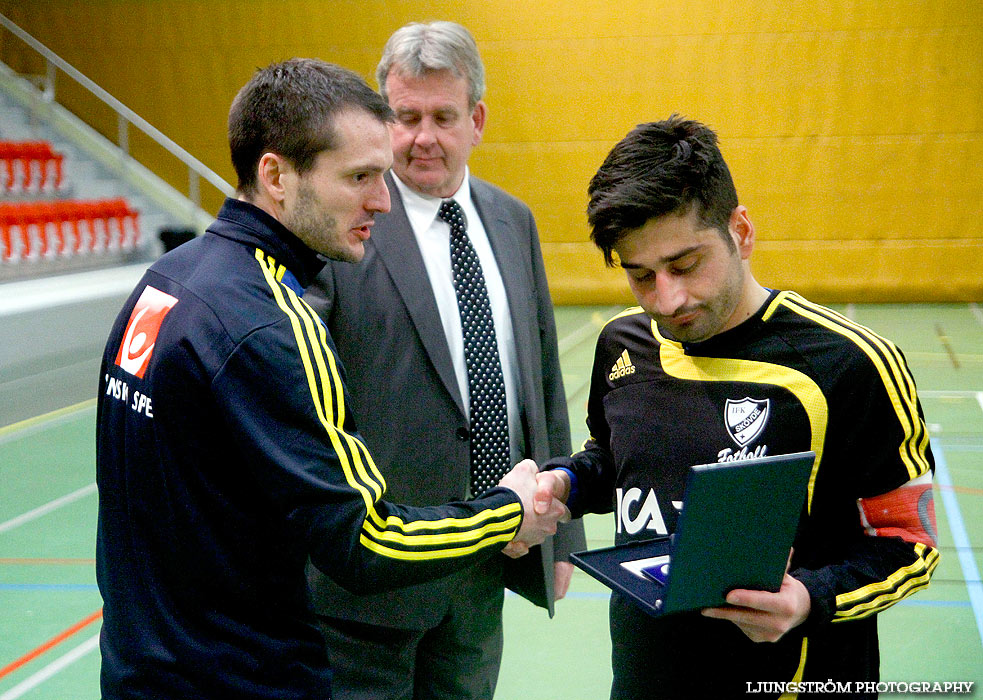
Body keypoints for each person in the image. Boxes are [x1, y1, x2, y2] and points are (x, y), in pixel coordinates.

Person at [94, 58, 568, 700]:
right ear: (276, 176)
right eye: (359, 177)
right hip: (239, 676)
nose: (382, 198)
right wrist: (508, 513)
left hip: (146, 666)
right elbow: (365, 540)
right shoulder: (271, 325)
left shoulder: (169, 282)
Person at [536, 115, 940, 698]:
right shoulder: (623, 345)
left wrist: (807, 599)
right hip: (644, 679)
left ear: (741, 231)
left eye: (685, 264)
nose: (667, 298)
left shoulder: (849, 365)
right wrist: (567, 483)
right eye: (641, 275)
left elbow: (910, 544)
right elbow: (618, 458)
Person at [304, 20, 585, 700]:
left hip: (487, 567)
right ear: (381, 119)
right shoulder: (343, 223)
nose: (422, 136)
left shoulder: (512, 220)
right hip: (370, 581)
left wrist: (563, 535)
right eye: (404, 117)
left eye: (442, 117)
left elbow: (541, 380)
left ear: (477, 120)